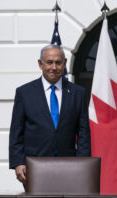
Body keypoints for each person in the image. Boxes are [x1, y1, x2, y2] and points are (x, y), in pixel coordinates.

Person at [9, 44, 91, 184]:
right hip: (33, 166)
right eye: (49, 62)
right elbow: (17, 131)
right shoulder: (24, 93)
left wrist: (82, 163)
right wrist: (18, 163)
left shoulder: (78, 93)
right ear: (40, 64)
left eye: (58, 63)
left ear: (64, 64)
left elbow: (83, 132)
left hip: (69, 167)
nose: (54, 67)